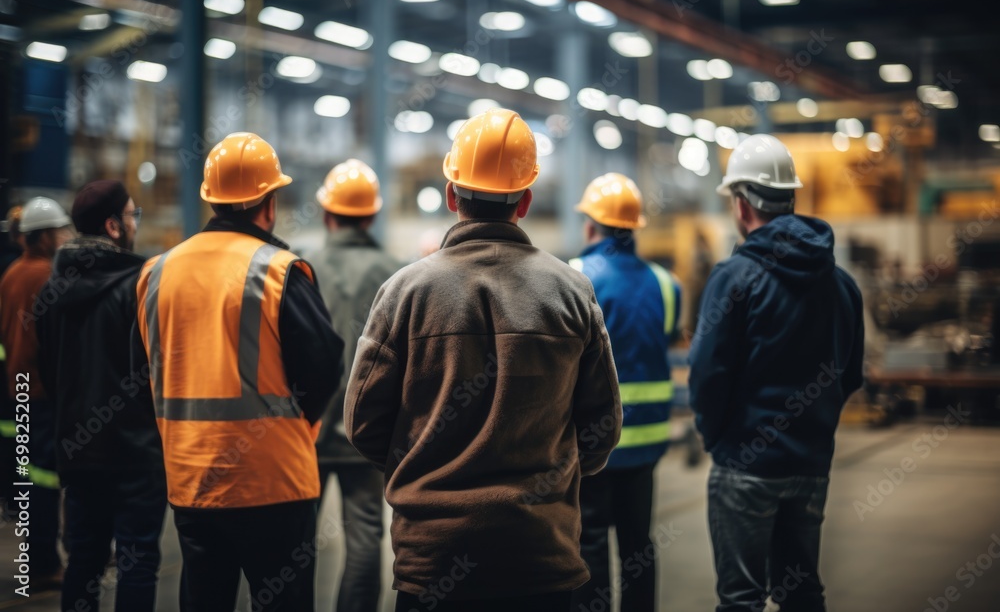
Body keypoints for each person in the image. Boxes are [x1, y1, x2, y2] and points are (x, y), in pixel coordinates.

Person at [345, 108, 622, 612]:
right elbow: (602, 426)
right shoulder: (571, 291)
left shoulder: (404, 293)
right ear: (527, 199)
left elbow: (364, 423)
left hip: (433, 563)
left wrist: (422, 469)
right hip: (544, 559)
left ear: (452, 195)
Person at [133, 132, 344, 612]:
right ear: (269, 203)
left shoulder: (156, 273)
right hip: (273, 480)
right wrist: (301, 422)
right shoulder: (278, 270)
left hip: (190, 479)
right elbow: (324, 362)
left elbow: (140, 373)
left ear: (211, 200)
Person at [688, 134, 865, 612]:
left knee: (742, 599)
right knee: (802, 592)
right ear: (791, 198)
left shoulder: (734, 279)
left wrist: (718, 439)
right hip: (810, 464)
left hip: (746, 464)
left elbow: (707, 376)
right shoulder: (842, 284)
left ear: (743, 205)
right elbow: (849, 374)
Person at [36, 181, 166, 611]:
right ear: (113, 226)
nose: (134, 224)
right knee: (137, 561)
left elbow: (49, 373)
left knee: (83, 561)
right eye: (132, 216)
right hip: (136, 454)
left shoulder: (51, 294)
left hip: (78, 450)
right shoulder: (141, 285)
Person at [568, 173, 681, 612]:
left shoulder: (575, 277)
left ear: (592, 226)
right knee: (638, 544)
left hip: (593, 442)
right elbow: (663, 339)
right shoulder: (666, 284)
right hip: (648, 440)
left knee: (590, 541)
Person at [307, 159, 402, 612]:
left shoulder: (301, 267)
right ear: (371, 215)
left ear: (327, 214)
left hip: (304, 431)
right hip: (368, 429)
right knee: (365, 535)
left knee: (295, 541)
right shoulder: (395, 272)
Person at [0, 196, 73, 588]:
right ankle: (45, 565)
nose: (64, 237)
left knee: (30, 478)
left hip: (19, 390)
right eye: (59, 231)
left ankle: (40, 555)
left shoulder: (11, 274)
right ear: (43, 237)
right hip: (43, 394)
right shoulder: (49, 275)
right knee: (45, 482)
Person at [0, 205, 24, 518]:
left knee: (10, 437)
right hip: (18, 369)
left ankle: (10, 499)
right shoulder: (18, 269)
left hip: (8, 367)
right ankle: (17, 501)